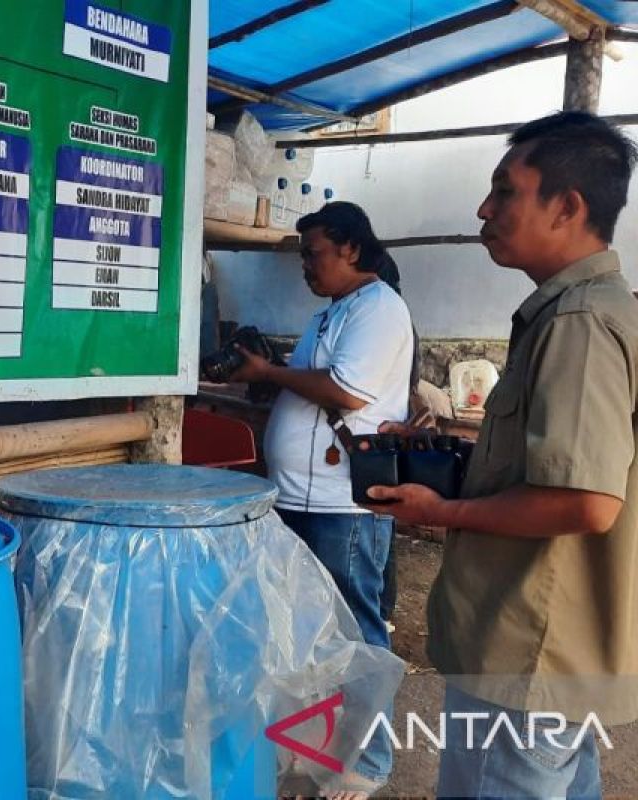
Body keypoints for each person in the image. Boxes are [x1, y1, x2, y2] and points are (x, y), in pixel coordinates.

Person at [368, 111, 638, 798]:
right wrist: (451, 449)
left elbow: (586, 499)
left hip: (527, 654)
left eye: (505, 191)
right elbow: (553, 460)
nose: (484, 209)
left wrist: (443, 509)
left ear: (568, 206)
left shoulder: (578, 324)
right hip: (555, 654)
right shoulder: (583, 313)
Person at [228, 200, 415, 798]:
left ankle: (372, 760)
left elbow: (346, 393)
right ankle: (316, 741)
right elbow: (311, 390)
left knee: (358, 633)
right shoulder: (330, 314)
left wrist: (269, 373)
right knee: (303, 629)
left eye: (314, 254)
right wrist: (268, 378)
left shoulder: (381, 309)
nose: (306, 266)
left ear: (351, 249)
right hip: (297, 498)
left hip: (342, 506)